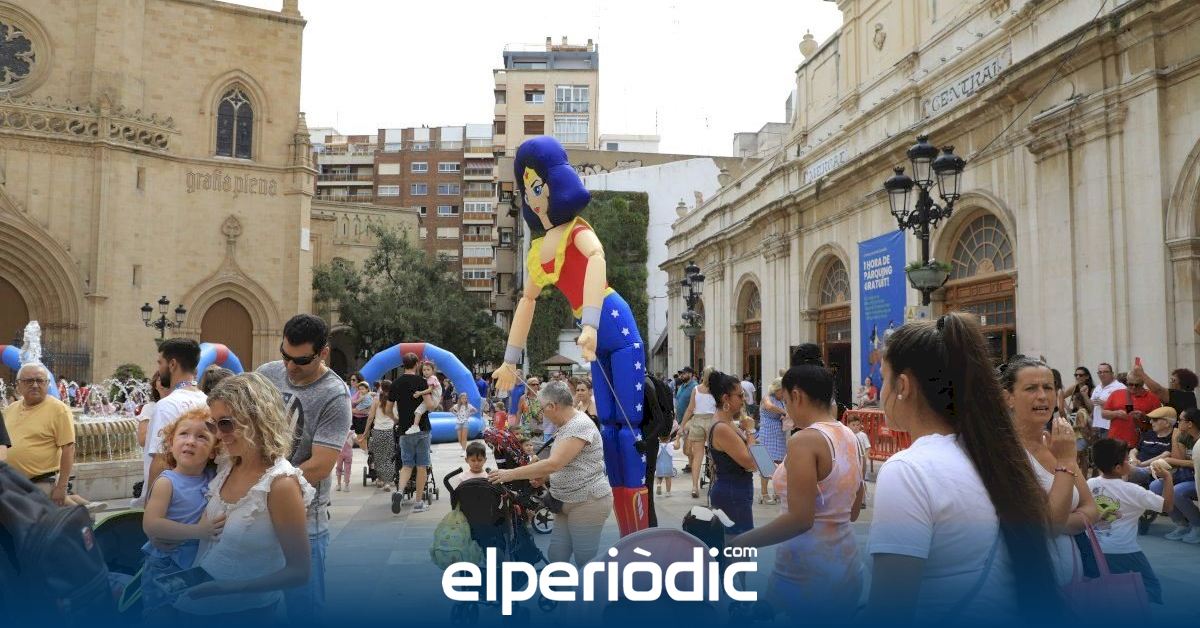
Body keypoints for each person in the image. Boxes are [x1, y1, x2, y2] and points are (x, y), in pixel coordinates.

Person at [865, 314, 1065, 624]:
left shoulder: (908, 470)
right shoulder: (997, 454)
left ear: (902, 385)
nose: (881, 393)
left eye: (883, 378)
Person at [730, 352, 864, 620]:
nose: (787, 409)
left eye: (787, 401)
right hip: (847, 565)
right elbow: (853, 510)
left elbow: (800, 519)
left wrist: (740, 542)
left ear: (797, 396)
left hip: (807, 575)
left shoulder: (805, 440)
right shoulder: (850, 436)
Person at [174, 373, 313, 621]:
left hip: (251, 614)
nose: (219, 434)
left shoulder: (280, 484)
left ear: (257, 418)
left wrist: (232, 587)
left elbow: (299, 572)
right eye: (213, 425)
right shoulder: (227, 466)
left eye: (225, 423)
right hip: (196, 609)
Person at [256, 313, 351, 621]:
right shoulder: (266, 374)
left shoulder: (335, 395)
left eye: (301, 360)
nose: (290, 367)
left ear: (323, 353)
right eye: (285, 356)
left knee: (304, 612)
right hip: (255, 515)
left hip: (304, 520)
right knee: (252, 608)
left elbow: (320, 466)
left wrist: (265, 491)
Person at [1002, 355, 1100, 587]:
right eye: (1031, 388)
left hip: (1078, 582)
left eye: (1048, 387)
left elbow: (1091, 508)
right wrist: (1065, 461)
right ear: (1008, 398)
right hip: (1030, 583)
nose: (1042, 396)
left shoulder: (1057, 443)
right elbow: (1045, 524)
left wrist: (1055, 523)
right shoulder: (1004, 452)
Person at [488, 380, 611, 565]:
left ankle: (596, 585)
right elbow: (567, 463)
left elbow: (554, 463)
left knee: (585, 560)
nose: (542, 414)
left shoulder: (579, 425)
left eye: (542, 408)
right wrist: (545, 476)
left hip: (587, 500)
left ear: (553, 406)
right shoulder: (567, 425)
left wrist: (509, 474)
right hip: (565, 501)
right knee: (557, 555)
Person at [140, 408, 222, 618]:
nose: (190, 441)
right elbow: (151, 524)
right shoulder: (167, 482)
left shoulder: (213, 476)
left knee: (188, 613)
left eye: (202, 437)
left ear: (213, 451)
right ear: (171, 443)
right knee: (162, 616)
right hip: (167, 564)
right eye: (183, 434)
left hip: (194, 562)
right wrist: (198, 531)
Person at [3, 363, 105, 512]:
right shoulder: (9, 410)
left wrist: (61, 487)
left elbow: (68, 448)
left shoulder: (58, 409)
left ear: (47, 384)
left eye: (40, 380)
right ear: (18, 385)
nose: (35, 385)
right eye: (29, 381)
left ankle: (82, 512)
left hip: (41, 481)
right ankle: (84, 509)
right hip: (11, 483)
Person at [1087, 438, 1172, 604]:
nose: (1131, 462)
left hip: (1094, 548)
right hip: (1124, 550)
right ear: (1118, 468)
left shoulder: (1090, 483)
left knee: (1105, 588)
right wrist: (1168, 478)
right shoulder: (1134, 491)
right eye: (1127, 460)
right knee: (1150, 587)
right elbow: (1167, 506)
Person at [143, 339, 207, 507]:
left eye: (160, 363)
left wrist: (150, 505)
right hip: (198, 498)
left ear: (172, 364)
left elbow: (161, 459)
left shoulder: (167, 405)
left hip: (169, 502)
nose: (158, 369)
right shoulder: (207, 401)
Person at [704, 371, 756, 535]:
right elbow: (751, 462)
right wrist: (751, 431)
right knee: (738, 543)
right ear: (726, 398)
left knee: (738, 541)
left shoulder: (727, 423)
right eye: (740, 396)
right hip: (732, 492)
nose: (744, 400)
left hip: (736, 490)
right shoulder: (722, 427)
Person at [389, 353, 436, 514]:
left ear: (403, 365)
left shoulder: (396, 383)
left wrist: (396, 419)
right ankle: (418, 503)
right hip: (422, 429)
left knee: (407, 465)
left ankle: (400, 491)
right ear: (416, 364)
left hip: (404, 430)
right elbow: (429, 405)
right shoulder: (422, 382)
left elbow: (388, 408)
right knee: (422, 465)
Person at [1150, 407, 1200, 542]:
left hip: (1197, 479)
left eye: (1180, 420)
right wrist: (1174, 437)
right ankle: (1182, 524)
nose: (1177, 423)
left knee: (1177, 491)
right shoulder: (1185, 436)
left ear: (1190, 424)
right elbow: (1179, 458)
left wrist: (1171, 460)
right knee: (1155, 486)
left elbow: (1195, 463)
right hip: (1188, 476)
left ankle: (1197, 525)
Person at [678, 366, 716, 499]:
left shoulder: (696, 389)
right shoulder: (716, 390)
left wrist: (682, 425)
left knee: (697, 456)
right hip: (712, 422)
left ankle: (694, 487)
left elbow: (690, 409)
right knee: (713, 454)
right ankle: (713, 484)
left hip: (697, 421)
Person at [1102, 370, 1162, 447]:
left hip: (1139, 443)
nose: (1133, 387)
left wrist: (1143, 417)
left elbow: (1160, 420)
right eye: (1130, 384)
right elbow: (1103, 414)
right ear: (1127, 382)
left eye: (1137, 385)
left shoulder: (1152, 398)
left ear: (1143, 383)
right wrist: (1116, 413)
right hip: (1115, 441)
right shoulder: (1116, 394)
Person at [1128, 406, 1178, 488]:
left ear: (1167, 423)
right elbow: (1134, 450)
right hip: (1137, 467)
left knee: (1124, 471)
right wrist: (1133, 460)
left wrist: (1141, 465)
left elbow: (1165, 455)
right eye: (1151, 419)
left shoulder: (1173, 437)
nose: (1151, 422)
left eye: (1155, 420)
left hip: (1153, 471)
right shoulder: (1149, 434)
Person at [360, 380, 395, 491]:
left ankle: (380, 479)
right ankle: (388, 482)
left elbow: (370, 417)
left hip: (377, 431)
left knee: (378, 458)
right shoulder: (394, 399)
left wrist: (365, 432)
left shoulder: (376, 399)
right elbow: (397, 415)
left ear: (381, 388)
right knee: (389, 457)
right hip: (390, 431)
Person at [757, 378, 786, 505]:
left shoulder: (782, 401)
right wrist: (784, 412)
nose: (784, 393)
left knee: (779, 463)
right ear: (776, 389)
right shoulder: (767, 398)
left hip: (779, 435)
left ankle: (777, 492)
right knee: (766, 463)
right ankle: (764, 494)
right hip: (768, 433)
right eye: (783, 391)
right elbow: (769, 406)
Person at [1132, 362, 1198, 415]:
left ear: (1182, 382)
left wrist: (1141, 373)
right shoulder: (1188, 396)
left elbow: (1158, 390)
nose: (1170, 382)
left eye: (1173, 380)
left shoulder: (1184, 396)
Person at [1088, 362, 1126, 438]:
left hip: (1110, 426)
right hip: (1098, 426)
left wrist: (1105, 403)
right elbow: (1092, 406)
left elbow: (1125, 409)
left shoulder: (1120, 387)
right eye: (1100, 372)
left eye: (1105, 372)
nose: (1102, 374)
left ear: (1112, 373)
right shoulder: (1098, 387)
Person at [404, 361, 442, 436]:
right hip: (433, 398)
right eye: (424, 370)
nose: (426, 372)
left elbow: (430, 390)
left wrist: (419, 393)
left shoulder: (432, 378)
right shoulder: (428, 378)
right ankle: (415, 426)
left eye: (428, 370)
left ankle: (415, 426)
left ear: (433, 371)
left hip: (434, 399)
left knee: (418, 411)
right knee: (418, 411)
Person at [334, 427, 355, 493]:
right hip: (348, 454)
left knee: (338, 468)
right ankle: (346, 486)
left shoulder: (338, 432)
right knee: (347, 469)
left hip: (339, 453)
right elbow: (357, 441)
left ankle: (339, 485)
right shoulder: (352, 433)